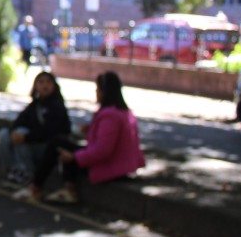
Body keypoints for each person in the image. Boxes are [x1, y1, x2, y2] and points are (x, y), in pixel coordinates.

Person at [13, 71, 145, 204]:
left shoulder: (110, 116)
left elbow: (103, 150)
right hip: (119, 164)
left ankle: (38, 188)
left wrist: (75, 157)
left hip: (111, 166)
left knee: (61, 147)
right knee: (62, 143)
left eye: (98, 89)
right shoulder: (123, 112)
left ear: (104, 92)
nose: (96, 93)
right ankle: (65, 187)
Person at [0, 72, 71, 185]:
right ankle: (11, 170)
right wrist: (14, 132)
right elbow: (19, 121)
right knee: (4, 134)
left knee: (22, 138)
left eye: (48, 82)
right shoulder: (35, 105)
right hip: (34, 142)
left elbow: (49, 132)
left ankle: (27, 172)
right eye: (41, 82)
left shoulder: (57, 106)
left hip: (48, 147)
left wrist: (26, 137)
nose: (45, 85)